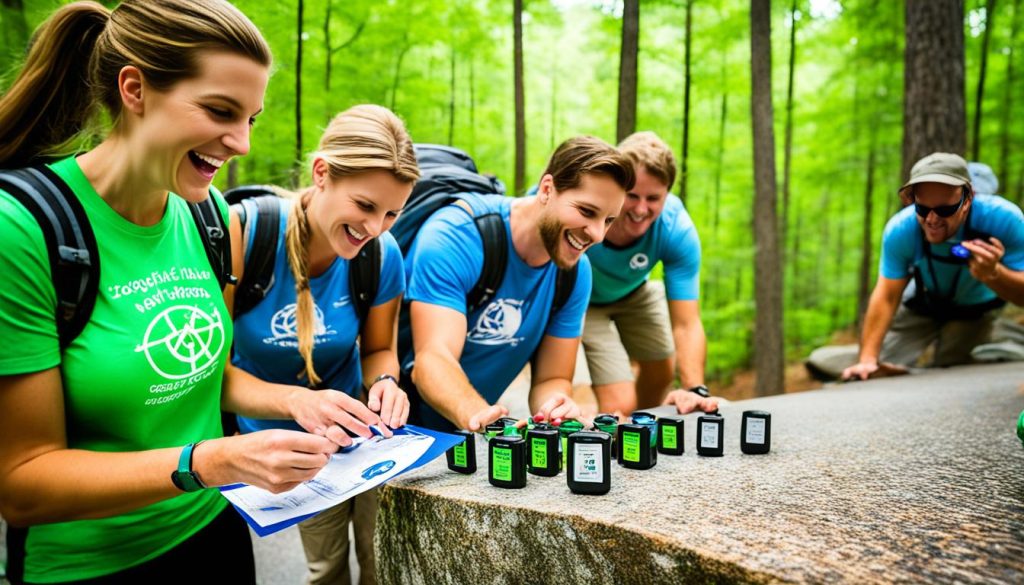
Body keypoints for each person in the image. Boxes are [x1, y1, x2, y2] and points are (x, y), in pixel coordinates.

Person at [0, 2, 384, 583]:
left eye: (251, 117)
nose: (241, 143)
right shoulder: (24, 228)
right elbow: (23, 484)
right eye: (219, 111)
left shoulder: (207, 216)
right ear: (135, 89)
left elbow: (196, 368)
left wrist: (293, 400)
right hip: (86, 565)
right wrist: (212, 460)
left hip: (213, 530)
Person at [228, 104, 418, 585]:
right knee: (326, 566)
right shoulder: (245, 233)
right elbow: (210, 368)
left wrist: (387, 382)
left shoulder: (381, 254)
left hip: (357, 439)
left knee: (383, 561)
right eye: (366, 206)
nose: (375, 227)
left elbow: (378, 349)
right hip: (284, 444)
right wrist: (298, 403)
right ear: (322, 174)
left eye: (392, 213)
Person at [399, 136, 634, 432]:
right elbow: (432, 358)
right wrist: (479, 415)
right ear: (547, 189)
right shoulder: (456, 236)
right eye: (587, 212)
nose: (598, 235)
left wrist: (556, 407)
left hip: (469, 435)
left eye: (609, 220)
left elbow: (551, 379)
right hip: (398, 426)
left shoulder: (575, 273)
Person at [841, 152, 1024, 381]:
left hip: (976, 311)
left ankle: (1006, 339)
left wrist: (994, 274)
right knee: (874, 369)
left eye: (945, 210)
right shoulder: (901, 230)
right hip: (922, 305)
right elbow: (887, 295)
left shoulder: (1004, 220)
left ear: (968, 199)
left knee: (949, 369)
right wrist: (867, 360)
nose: (932, 219)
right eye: (922, 208)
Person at [581, 131, 719, 417]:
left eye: (654, 198)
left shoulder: (676, 229)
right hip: (581, 296)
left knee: (661, 371)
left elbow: (687, 322)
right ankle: (614, 431)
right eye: (631, 196)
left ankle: (638, 433)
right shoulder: (585, 206)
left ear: (667, 193)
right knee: (620, 403)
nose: (641, 209)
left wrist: (695, 390)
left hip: (634, 292)